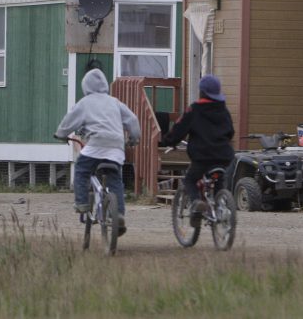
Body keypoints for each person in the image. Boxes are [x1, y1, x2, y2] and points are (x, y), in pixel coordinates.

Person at [54, 68, 141, 236]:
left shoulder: (85, 103)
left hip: (96, 145)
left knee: (81, 170)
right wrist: (134, 139)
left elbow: (68, 122)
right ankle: (119, 214)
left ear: (85, 86)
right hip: (116, 146)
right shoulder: (115, 101)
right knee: (115, 180)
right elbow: (132, 120)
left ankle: (82, 203)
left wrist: (61, 134)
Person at [162, 74, 235, 227]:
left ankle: (196, 203)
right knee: (219, 180)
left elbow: (179, 129)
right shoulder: (224, 111)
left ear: (201, 92)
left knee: (190, 180)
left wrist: (169, 141)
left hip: (202, 156)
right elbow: (230, 132)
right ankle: (220, 206)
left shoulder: (194, 109)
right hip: (223, 156)